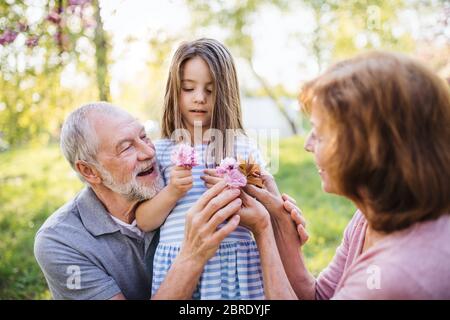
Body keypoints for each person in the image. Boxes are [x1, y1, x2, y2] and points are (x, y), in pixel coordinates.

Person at [246, 51, 450, 299]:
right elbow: (319, 295)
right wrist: (280, 225)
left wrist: (264, 232)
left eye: (319, 133)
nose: (308, 145)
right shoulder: (368, 217)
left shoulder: (395, 275)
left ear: (367, 147)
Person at [33, 102, 246, 300]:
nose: (148, 152)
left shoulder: (178, 188)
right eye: (126, 148)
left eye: (144, 137)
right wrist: (192, 256)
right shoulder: (59, 241)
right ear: (89, 171)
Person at [135, 38, 267, 299]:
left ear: (226, 92)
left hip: (235, 260)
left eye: (210, 89)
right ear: (175, 90)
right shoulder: (161, 151)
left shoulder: (241, 147)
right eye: (188, 88)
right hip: (181, 260)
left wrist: (238, 188)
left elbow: (267, 202)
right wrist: (172, 191)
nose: (199, 98)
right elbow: (144, 220)